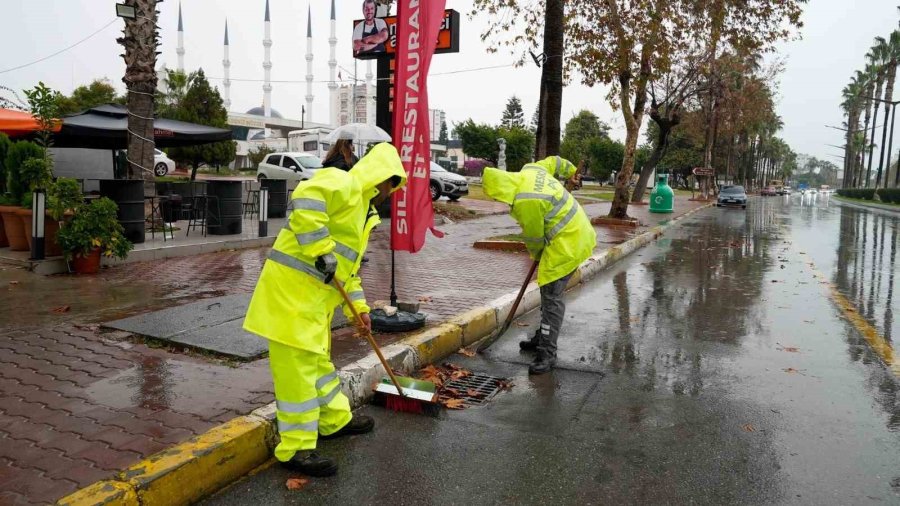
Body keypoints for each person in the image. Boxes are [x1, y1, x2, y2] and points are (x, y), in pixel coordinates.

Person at [243, 143, 406, 476]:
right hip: (289, 297)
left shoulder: (365, 213)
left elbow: (349, 272)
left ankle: (334, 420)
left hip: (313, 303)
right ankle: (295, 450)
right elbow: (305, 199)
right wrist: (322, 250)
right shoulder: (342, 183)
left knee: (318, 366)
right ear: (380, 177)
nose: (390, 194)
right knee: (298, 376)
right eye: (391, 185)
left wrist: (359, 310)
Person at [482, 157, 596, 374]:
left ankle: (547, 352)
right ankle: (542, 336)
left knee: (552, 295)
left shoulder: (525, 200)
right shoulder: (531, 168)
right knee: (547, 291)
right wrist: (572, 171)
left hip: (568, 243)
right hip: (577, 233)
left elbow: (534, 239)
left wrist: (537, 255)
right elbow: (556, 161)